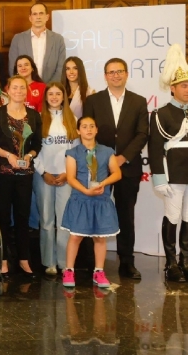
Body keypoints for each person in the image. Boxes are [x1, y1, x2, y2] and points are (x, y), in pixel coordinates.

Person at [83, 58, 148, 280]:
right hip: (99, 168)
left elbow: (142, 134)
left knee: (125, 214)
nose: (115, 75)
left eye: (119, 71)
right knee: (95, 212)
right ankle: (93, 262)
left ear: (126, 74)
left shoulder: (138, 101)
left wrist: (123, 157)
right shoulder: (93, 100)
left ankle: (126, 262)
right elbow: (89, 133)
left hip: (128, 168)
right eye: (111, 72)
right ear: (105, 76)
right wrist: (106, 159)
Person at [0, 75, 43, 279]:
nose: (18, 91)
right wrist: (7, 155)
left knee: (23, 216)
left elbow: (37, 144)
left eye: (22, 88)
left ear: (26, 91)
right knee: (2, 216)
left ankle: (24, 258)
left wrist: (29, 155)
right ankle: (3, 258)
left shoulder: (34, 115)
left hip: (24, 174)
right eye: (15, 87)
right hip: (2, 173)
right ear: (7, 90)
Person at [61, 116, 121, 289]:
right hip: (81, 200)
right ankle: (69, 270)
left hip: (101, 200)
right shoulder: (73, 153)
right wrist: (86, 190)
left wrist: (103, 184)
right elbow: (71, 178)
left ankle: (99, 271)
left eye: (92, 126)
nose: (88, 129)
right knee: (75, 237)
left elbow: (116, 173)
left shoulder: (107, 151)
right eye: (84, 126)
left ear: (96, 130)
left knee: (100, 238)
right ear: (78, 131)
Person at [149, 44, 188, 282]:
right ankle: (171, 264)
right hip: (173, 173)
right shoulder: (161, 114)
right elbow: (155, 149)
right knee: (173, 217)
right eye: (184, 85)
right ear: (172, 88)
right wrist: (159, 178)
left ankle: (186, 260)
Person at [34, 82, 79, 276]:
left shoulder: (72, 119)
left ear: (64, 96)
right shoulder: (37, 119)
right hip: (43, 176)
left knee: (63, 221)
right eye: (50, 94)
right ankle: (48, 262)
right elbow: (33, 149)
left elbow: (76, 151)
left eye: (58, 94)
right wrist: (43, 172)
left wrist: (67, 174)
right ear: (45, 97)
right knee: (45, 220)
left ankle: (63, 262)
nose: (54, 97)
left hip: (66, 177)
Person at [8, 2, 66, 83]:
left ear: (47, 17)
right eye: (35, 14)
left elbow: (60, 68)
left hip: (50, 91)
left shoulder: (58, 39)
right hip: (25, 90)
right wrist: (23, 86)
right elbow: (12, 68)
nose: (38, 17)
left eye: (41, 13)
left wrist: (48, 88)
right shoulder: (18, 39)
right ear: (30, 18)